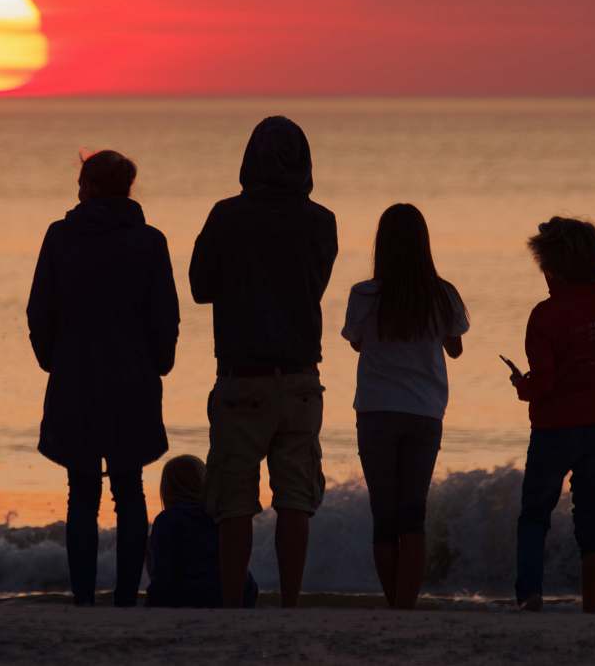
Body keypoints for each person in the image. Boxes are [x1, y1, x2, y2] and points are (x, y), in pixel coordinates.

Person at [190, 116, 337, 608]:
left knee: (234, 502)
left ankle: (233, 602)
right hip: (299, 375)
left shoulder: (226, 216)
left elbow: (199, 287)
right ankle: (290, 601)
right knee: (296, 498)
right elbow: (315, 286)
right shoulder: (321, 221)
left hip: (242, 376)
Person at [27, 150, 180, 607]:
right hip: (132, 378)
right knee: (129, 487)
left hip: (76, 376)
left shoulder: (61, 237)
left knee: (82, 491)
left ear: (89, 186)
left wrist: (51, 359)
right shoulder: (150, 242)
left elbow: (40, 310)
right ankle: (127, 596)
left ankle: (82, 597)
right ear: (127, 188)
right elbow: (165, 316)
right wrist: (160, 362)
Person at [341, 203, 468, 609]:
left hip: (377, 410)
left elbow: (357, 341)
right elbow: (456, 348)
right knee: (414, 511)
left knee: (385, 513)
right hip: (424, 412)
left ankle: (393, 601)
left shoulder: (364, 294)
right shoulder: (443, 294)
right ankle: (406, 605)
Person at [510, 217, 595, 614]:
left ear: (552, 267)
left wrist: (522, 386)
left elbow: (544, 382)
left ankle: (530, 595)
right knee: (591, 516)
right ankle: (592, 605)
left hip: (555, 427)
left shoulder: (544, 316)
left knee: (535, 514)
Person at [146, 455, 258, 608]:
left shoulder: (167, 520)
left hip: (192, 594)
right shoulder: (220, 515)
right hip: (239, 592)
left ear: (167, 489)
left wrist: (153, 598)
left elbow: (163, 572)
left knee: (151, 549)